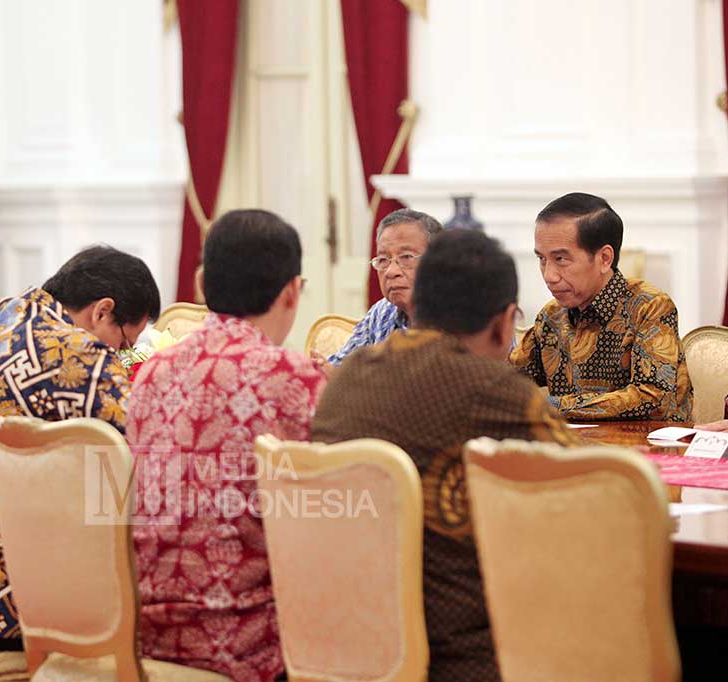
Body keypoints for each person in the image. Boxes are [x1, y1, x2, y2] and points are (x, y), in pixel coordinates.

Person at [312, 229, 579, 682]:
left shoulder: (348, 377)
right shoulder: (496, 392)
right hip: (460, 658)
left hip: (342, 643)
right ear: (503, 323)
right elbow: (588, 497)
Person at [127, 209, 326, 682]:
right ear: (292, 292)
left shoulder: (152, 372)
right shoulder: (292, 377)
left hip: (146, 633)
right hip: (248, 642)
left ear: (201, 285)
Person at [0, 245, 160, 648]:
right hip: (10, 598)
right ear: (102, 312)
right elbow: (149, 449)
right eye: (126, 342)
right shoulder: (77, 351)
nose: (123, 355)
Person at [511, 192, 693, 421]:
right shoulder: (552, 316)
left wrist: (547, 406)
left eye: (561, 260)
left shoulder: (649, 306)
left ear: (605, 258)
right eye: (542, 259)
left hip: (649, 451)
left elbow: (652, 397)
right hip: (573, 450)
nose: (549, 276)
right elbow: (508, 378)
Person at [314, 208, 442, 370]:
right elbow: (343, 367)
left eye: (406, 257)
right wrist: (327, 373)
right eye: (383, 260)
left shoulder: (459, 319)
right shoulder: (382, 311)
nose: (391, 271)